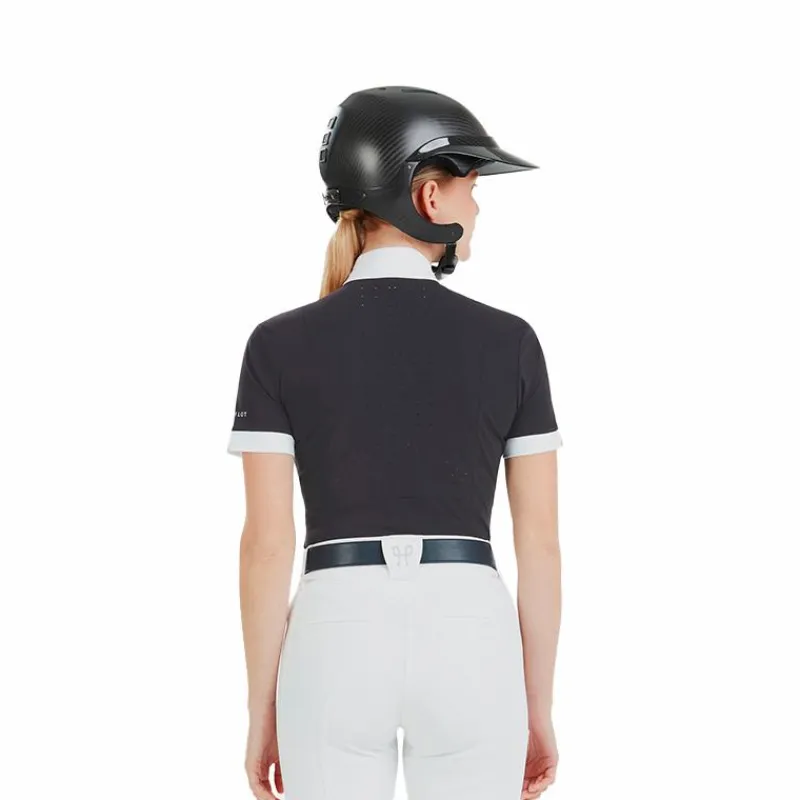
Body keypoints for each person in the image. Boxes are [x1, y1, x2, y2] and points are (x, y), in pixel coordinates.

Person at [227, 86, 563, 800]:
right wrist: (536, 706)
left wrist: (263, 709)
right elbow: (539, 545)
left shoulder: (277, 344)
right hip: (469, 631)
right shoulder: (511, 342)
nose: (478, 209)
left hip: (335, 631)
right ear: (430, 197)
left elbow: (266, 547)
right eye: (473, 189)